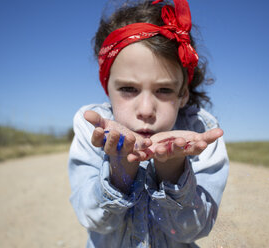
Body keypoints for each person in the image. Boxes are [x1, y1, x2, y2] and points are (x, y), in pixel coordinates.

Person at [68, 0, 229, 247]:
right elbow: (93, 220)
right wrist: (119, 171)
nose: (145, 110)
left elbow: (192, 230)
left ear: (183, 93)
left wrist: (174, 169)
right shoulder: (94, 126)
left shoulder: (201, 134)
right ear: (107, 88)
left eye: (164, 90)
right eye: (128, 89)